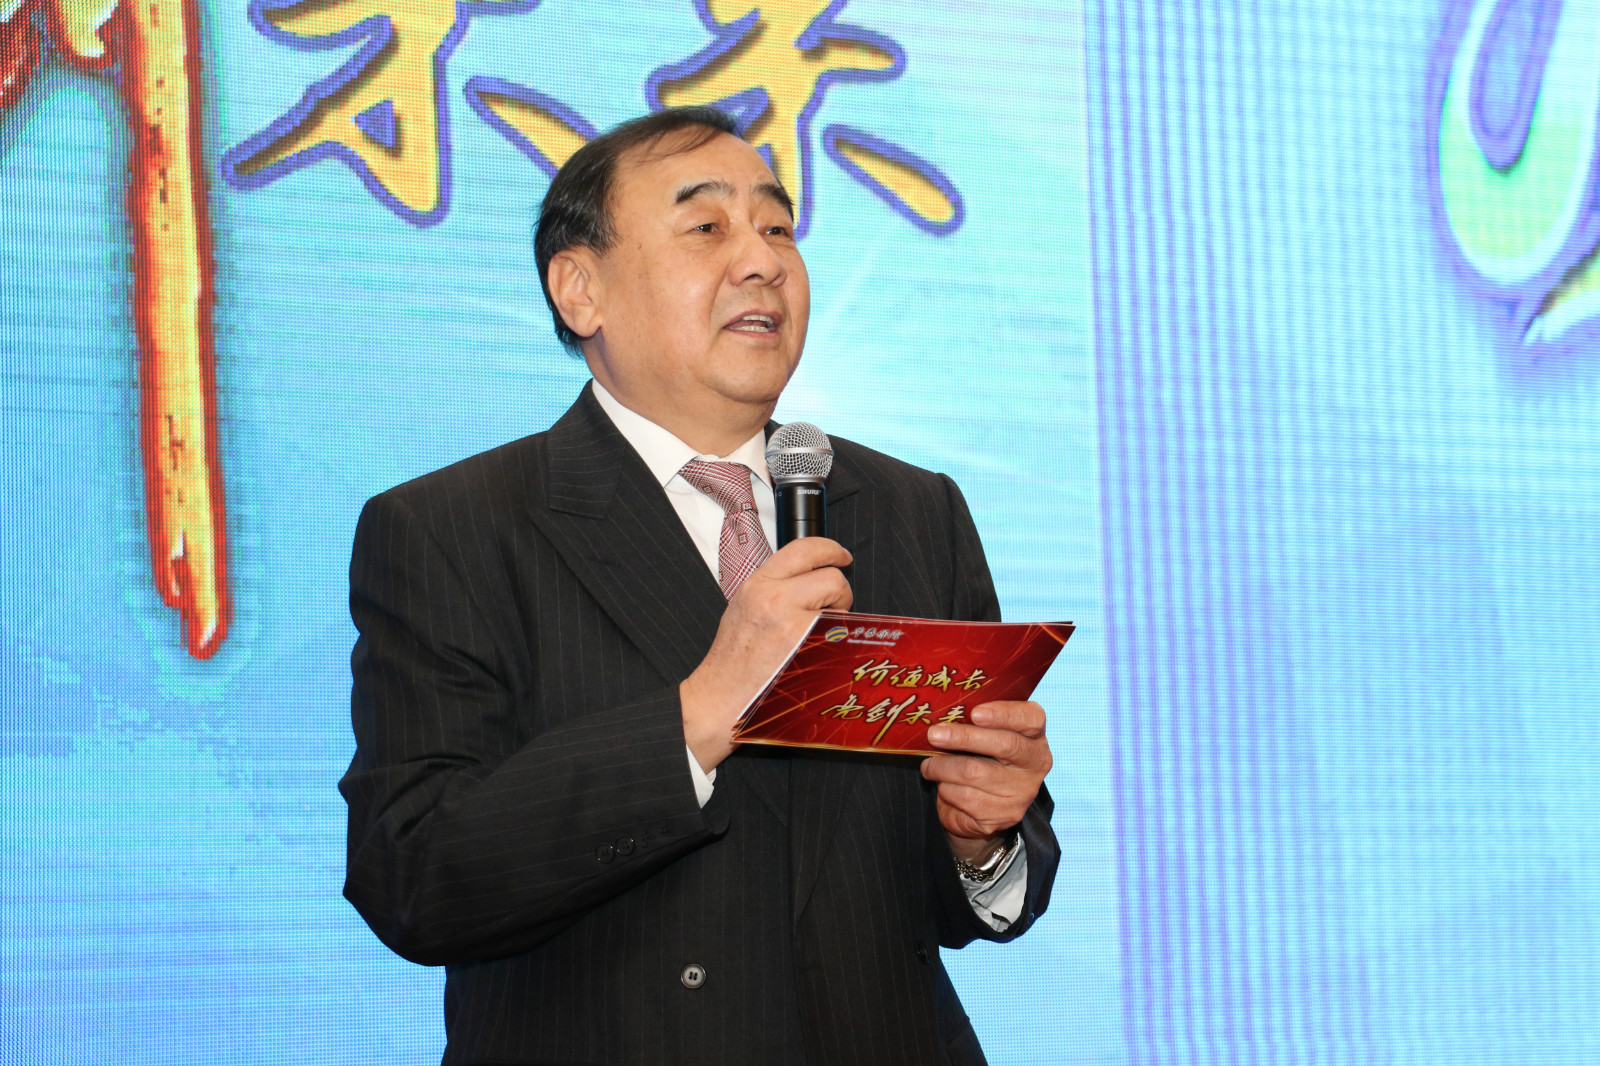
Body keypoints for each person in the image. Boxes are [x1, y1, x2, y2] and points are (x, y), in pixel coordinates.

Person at [340, 106, 1060, 1066]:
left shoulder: (911, 509)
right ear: (580, 289)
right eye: (708, 226)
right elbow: (415, 876)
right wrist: (698, 716)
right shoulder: (454, 529)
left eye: (778, 227)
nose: (762, 261)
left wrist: (983, 838)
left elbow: (965, 887)